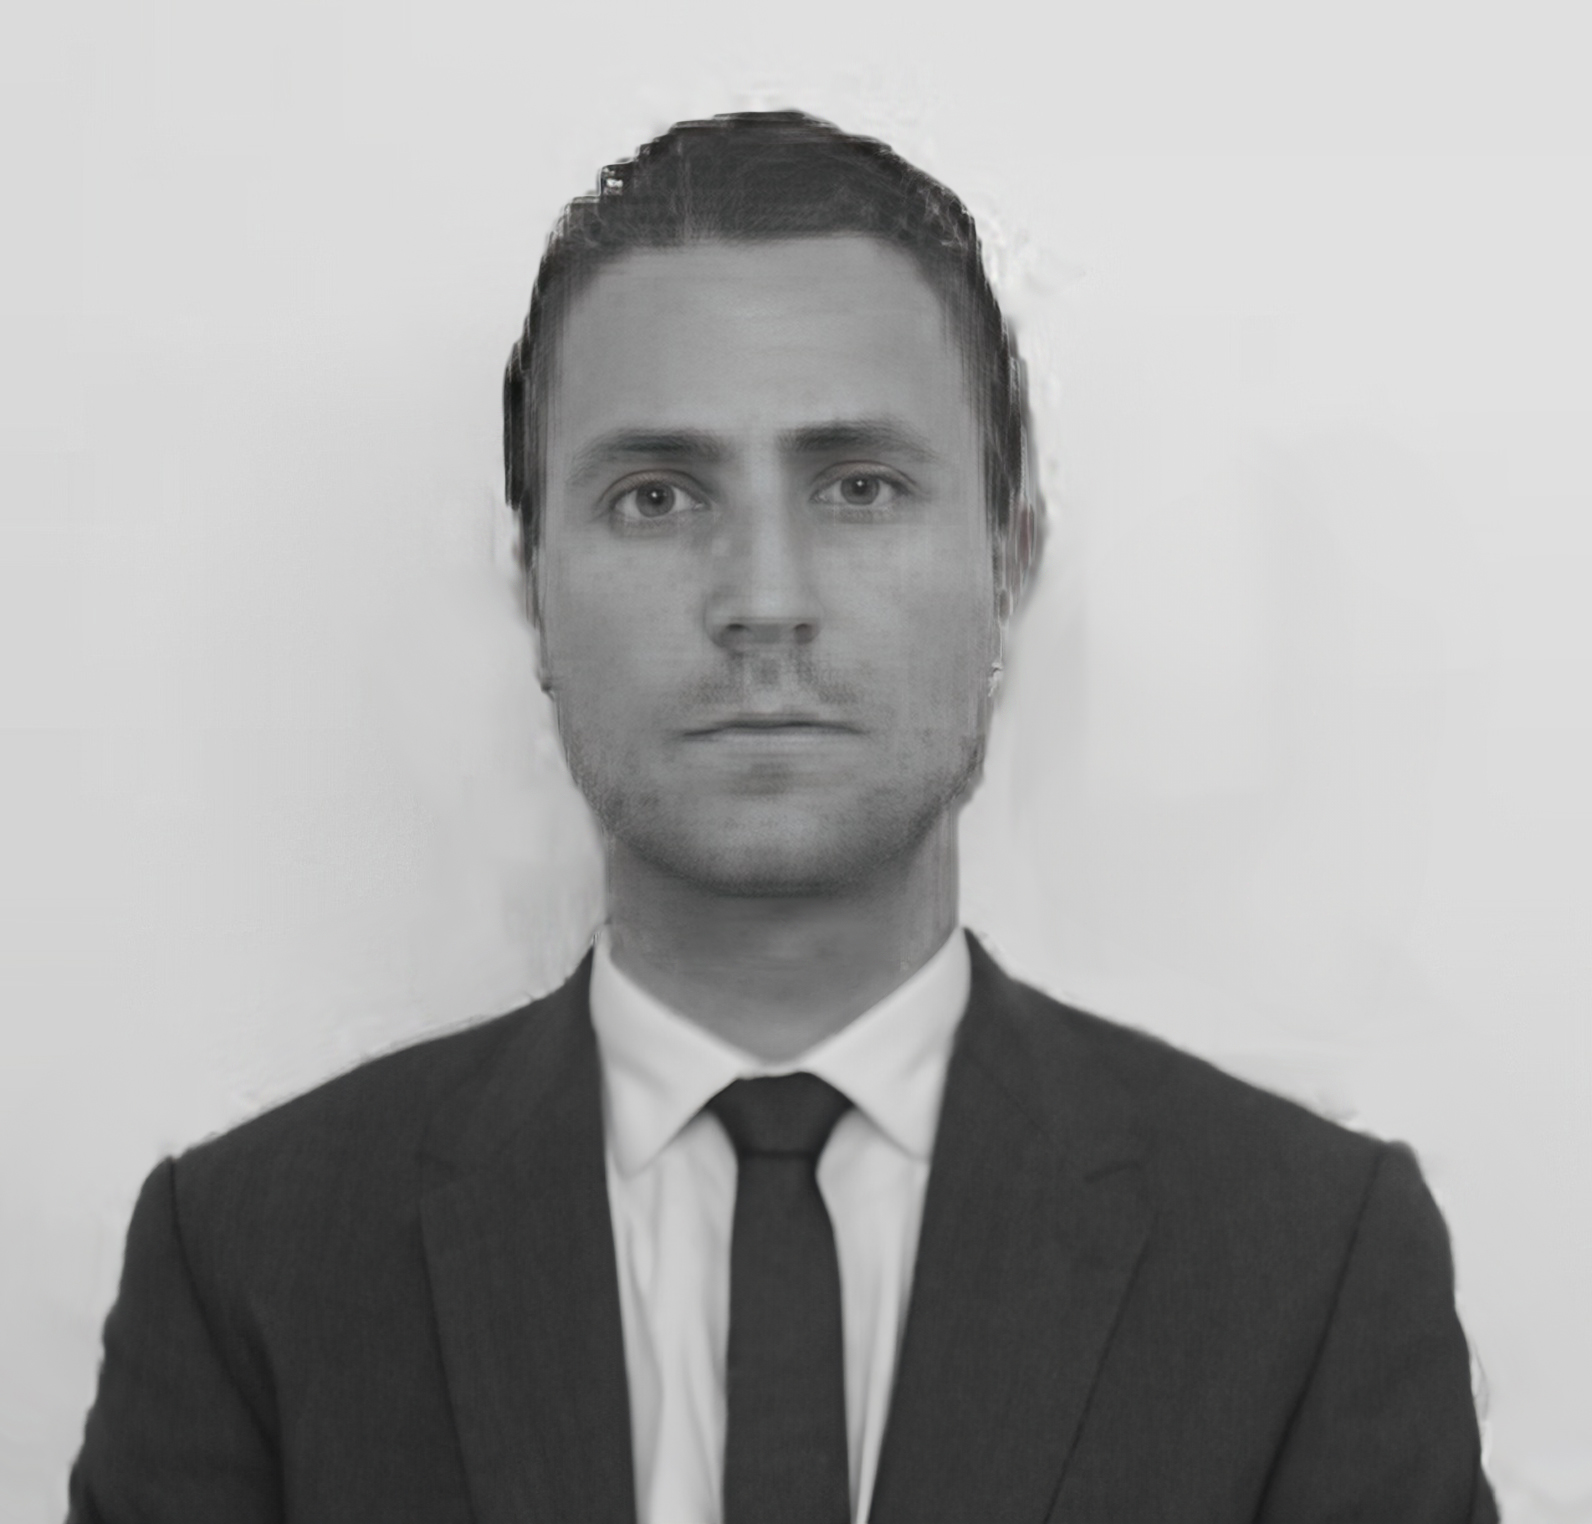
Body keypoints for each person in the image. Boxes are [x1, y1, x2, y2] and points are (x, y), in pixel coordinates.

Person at [68, 110, 1496, 1524]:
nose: (763, 599)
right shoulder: (247, 1266)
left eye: (861, 488)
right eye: (656, 497)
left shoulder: (1311, 1266)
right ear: (532, 588)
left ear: (1011, 563)